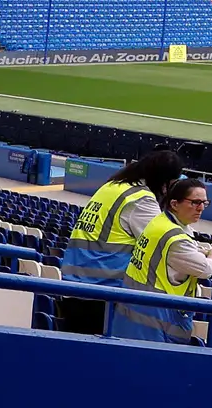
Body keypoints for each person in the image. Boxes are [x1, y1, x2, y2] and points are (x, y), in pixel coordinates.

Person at [59, 145, 187, 338]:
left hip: (76, 286)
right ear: (164, 181)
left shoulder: (113, 186)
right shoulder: (141, 200)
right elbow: (165, 245)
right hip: (103, 294)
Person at [113, 172, 212, 343]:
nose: (200, 208)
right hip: (157, 324)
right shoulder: (175, 239)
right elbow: (206, 269)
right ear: (174, 204)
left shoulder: (160, 222)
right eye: (195, 202)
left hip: (134, 315)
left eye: (204, 203)